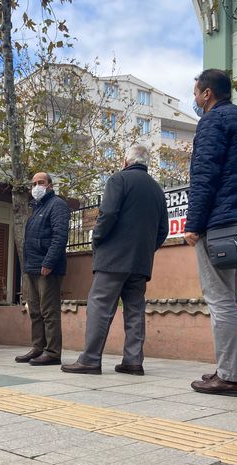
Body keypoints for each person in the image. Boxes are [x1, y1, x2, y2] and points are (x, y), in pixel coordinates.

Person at [185, 69, 237, 397]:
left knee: (220, 300)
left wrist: (193, 224)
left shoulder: (213, 122)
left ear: (207, 94)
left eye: (196, 93)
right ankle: (231, 369)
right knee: (228, 300)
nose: (195, 99)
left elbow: (205, 175)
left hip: (223, 224)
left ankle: (232, 376)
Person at [62, 145, 168, 375]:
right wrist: (147, 249)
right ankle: (133, 361)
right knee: (135, 310)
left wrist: (97, 239)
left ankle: (90, 359)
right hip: (140, 262)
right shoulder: (158, 191)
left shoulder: (118, 180)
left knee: (100, 307)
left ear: (125, 161)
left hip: (113, 258)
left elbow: (108, 214)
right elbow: (163, 230)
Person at [15, 172, 70, 366]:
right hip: (32, 268)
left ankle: (53, 352)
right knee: (35, 311)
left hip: (47, 268)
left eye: (41, 182)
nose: (36, 186)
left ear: (50, 185)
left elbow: (60, 236)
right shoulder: (37, 208)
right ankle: (38, 348)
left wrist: (49, 262)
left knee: (49, 312)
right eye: (34, 183)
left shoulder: (57, 205)